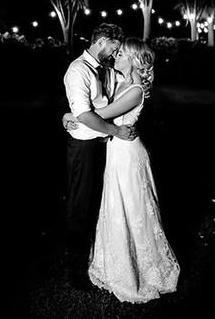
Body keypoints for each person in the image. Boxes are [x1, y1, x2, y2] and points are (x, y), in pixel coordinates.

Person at [63, 38, 180, 302]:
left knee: (132, 207)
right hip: (116, 151)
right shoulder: (122, 82)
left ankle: (142, 269)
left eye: (121, 54)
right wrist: (74, 114)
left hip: (128, 154)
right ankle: (116, 262)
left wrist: (70, 116)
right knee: (117, 206)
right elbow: (95, 110)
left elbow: (100, 113)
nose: (116, 57)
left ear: (134, 60)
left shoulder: (136, 90)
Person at [63, 23, 138, 291]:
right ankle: (75, 267)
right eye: (114, 48)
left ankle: (99, 257)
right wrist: (116, 130)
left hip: (104, 146)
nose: (115, 54)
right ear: (103, 41)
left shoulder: (106, 69)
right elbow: (84, 114)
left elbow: (108, 103)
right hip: (84, 147)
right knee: (80, 205)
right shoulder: (78, 70)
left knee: (99, 203)